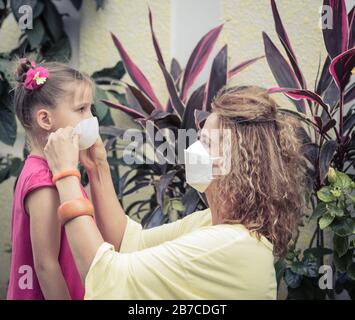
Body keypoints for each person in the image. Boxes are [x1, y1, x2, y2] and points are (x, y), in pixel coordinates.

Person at [43, 85, 306, 299]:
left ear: (232, 162)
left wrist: (65, 174)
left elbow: (104, 274)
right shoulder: (211, 223)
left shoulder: (228, 244)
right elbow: (127, 244)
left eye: (205, 142)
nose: (193, 148)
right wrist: (97, 166)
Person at [7, 58, 95, 300]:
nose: (90, 118)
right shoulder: (44, 182)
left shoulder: (50, 171)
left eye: (90, 109)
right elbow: (46, 266)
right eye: (81, 109)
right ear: (45, 119)